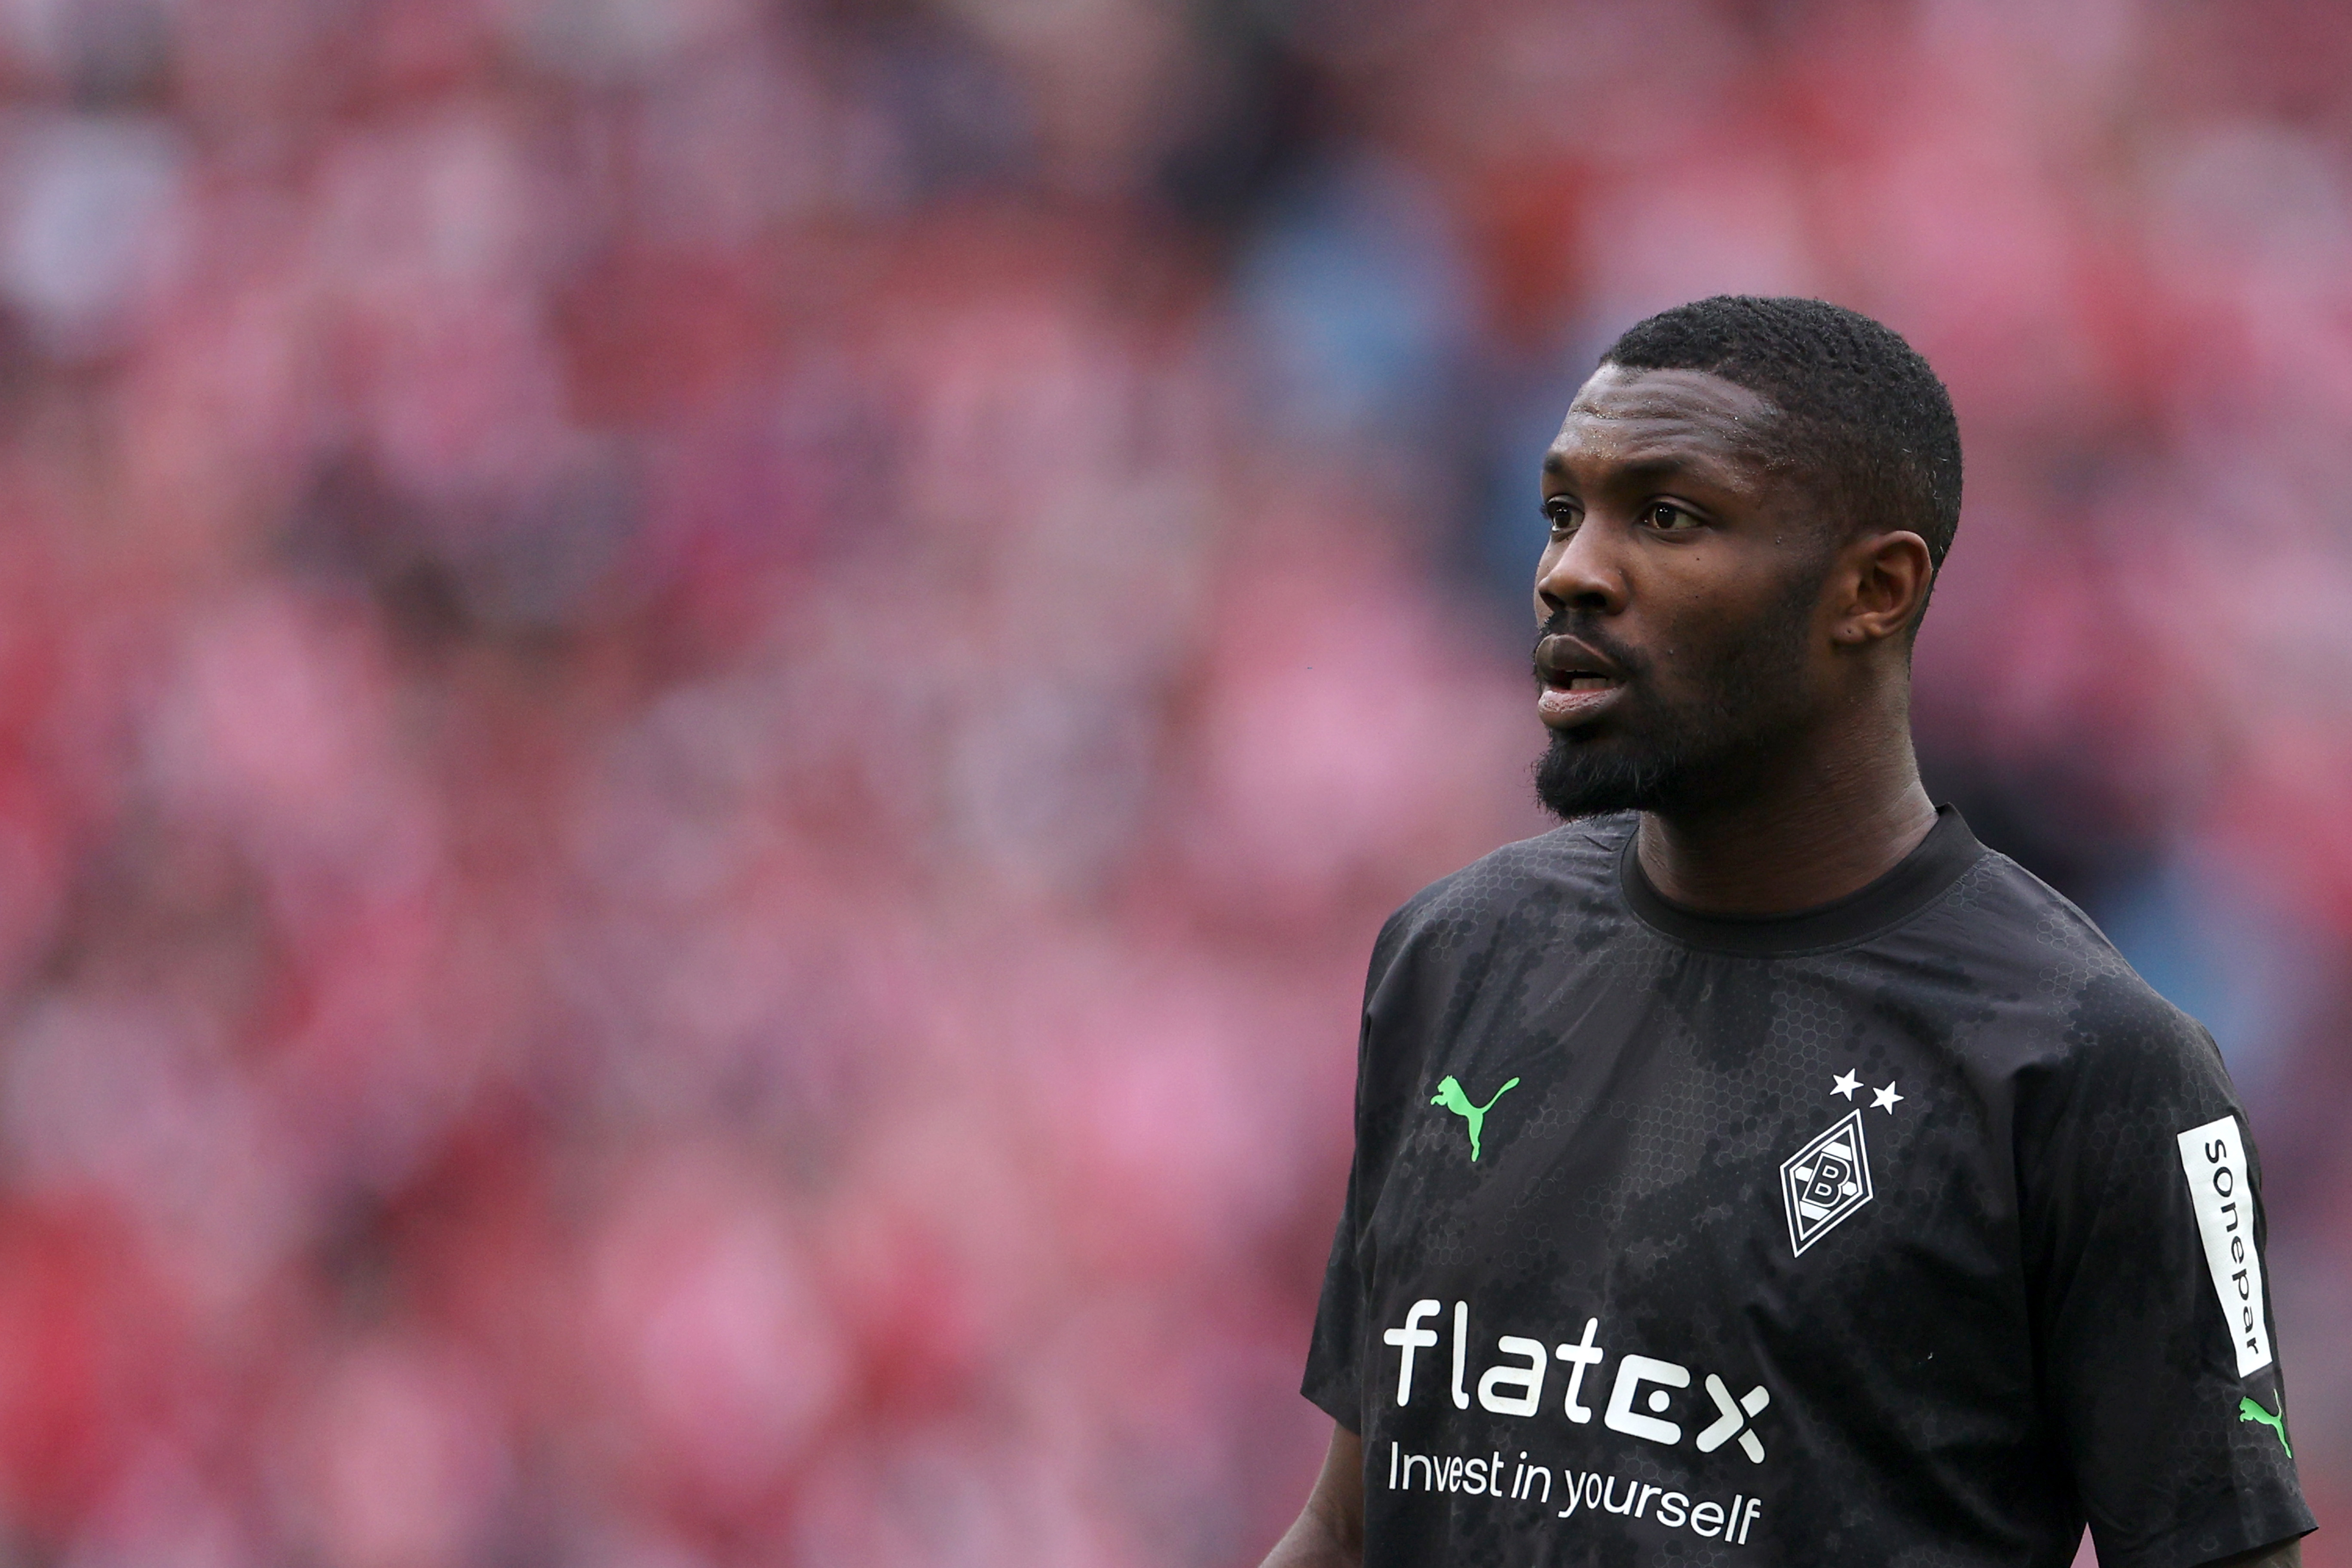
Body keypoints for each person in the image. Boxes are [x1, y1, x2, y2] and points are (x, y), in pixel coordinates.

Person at [1259, 296, 2313, 1568]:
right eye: (1560, 512)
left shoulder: (2093, 1067)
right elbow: (1347, 1526)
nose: (1570, 571)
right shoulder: (1455, 956)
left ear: (1874, 589)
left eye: (1667, 517)